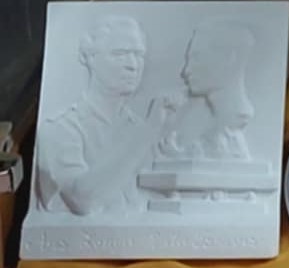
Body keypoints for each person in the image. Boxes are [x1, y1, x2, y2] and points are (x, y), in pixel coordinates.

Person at [36, 16, 159, 215]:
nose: (133, 65)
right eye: (120, 54)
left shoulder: (138, 127)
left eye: (139, 55)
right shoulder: (59, 130)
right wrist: (143, 138)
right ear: (89, 57)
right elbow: (83, 201)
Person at [156, 19, 258, 160]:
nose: (185, 71)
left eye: (197, 58)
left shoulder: (231, 132)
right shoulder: (204, 126)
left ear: (228, 58)